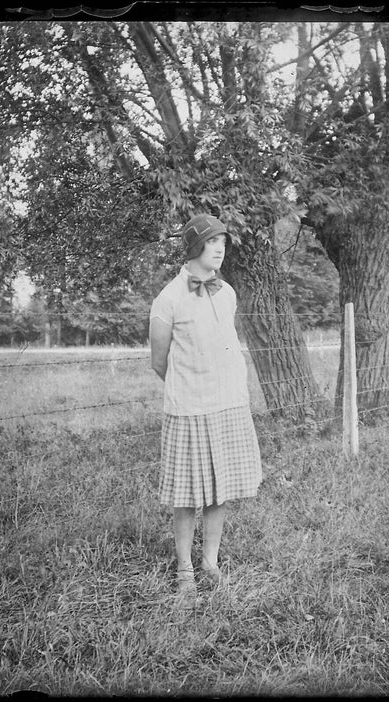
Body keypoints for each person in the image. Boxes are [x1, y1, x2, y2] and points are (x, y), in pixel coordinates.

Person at [149, 213, 262, 607]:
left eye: (224, 243)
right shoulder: (168, 299)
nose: (220, 249)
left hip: (228, 402)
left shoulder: (226, 293)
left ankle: (210, 563)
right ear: (195, 246)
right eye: (213, 242)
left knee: (221, 487)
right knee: (186, 494)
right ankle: (184, 569)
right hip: (188, 407)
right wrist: (189, 387)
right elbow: (159, 360)